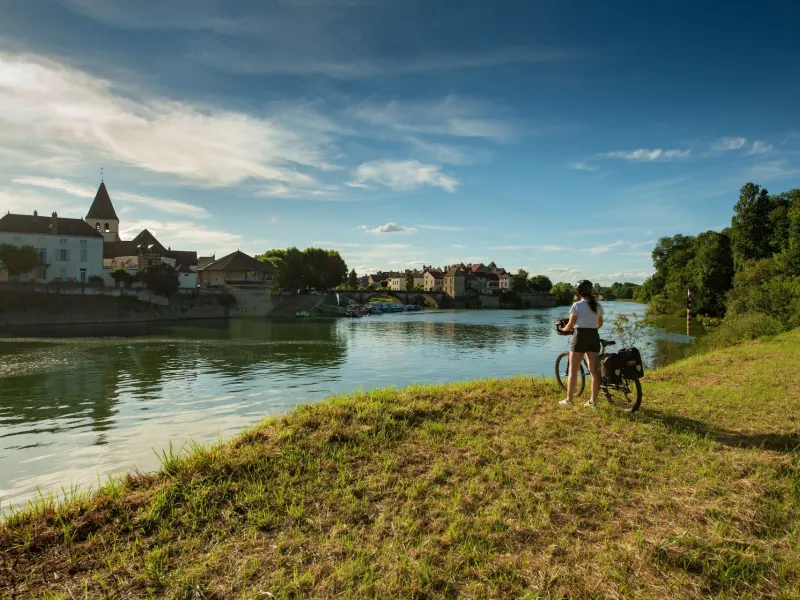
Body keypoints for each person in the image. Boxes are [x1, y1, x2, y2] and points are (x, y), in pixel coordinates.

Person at [559, 280, 604, 407]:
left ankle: (569, 400)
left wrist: (563, 330)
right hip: (594, 336)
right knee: (594, 371)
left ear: (579, 292)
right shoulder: (598, 306)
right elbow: (599, 323)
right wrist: (591, 329)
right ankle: (593, 402)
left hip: (580, 336)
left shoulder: (577, 305)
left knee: (573, 370)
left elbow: (571, 324)